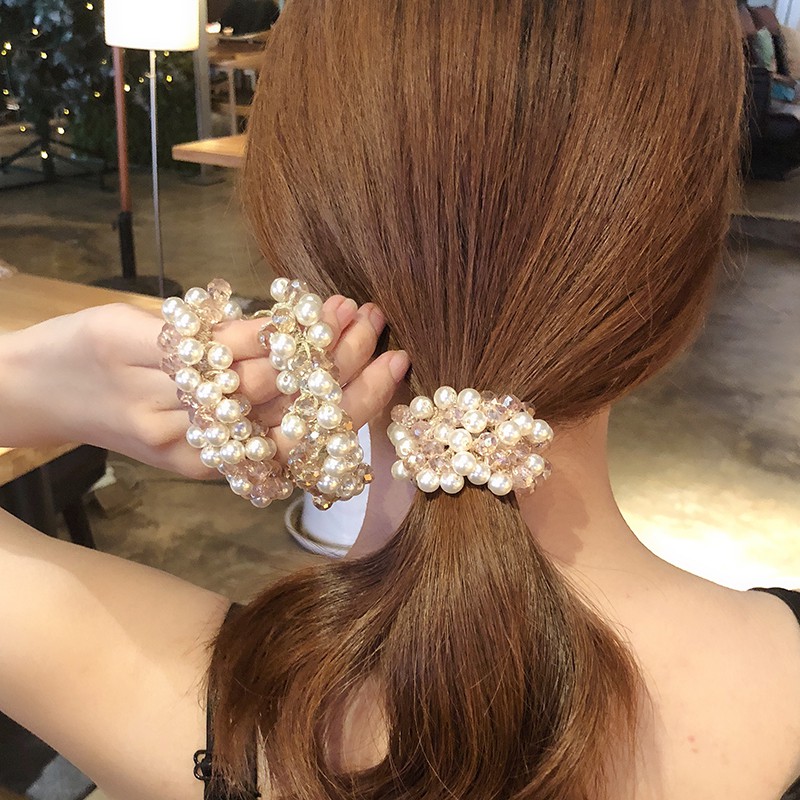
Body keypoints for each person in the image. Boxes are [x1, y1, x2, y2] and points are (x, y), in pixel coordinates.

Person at [1, 1, 799, 799]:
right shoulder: (778, 686)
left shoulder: (179, 704)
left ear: (292, 244)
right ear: (679, 279)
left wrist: (31, 380)